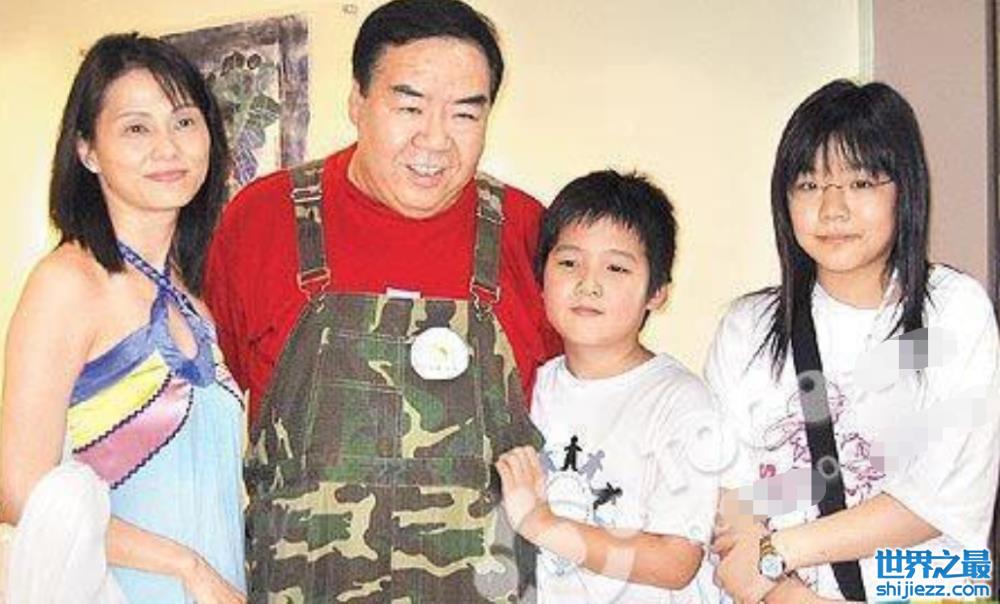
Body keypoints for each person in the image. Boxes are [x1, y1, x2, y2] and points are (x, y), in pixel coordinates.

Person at [203, 0, 559, 600]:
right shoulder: (260, 221)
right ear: (357, 102)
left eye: (465, 113)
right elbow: (215, 402)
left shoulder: (531, 235)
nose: (435, 140)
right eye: (409, 106)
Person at [706, 80, 1000, 603]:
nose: (832, 209)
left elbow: (943, 502)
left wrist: (780, 550)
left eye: (860, 183)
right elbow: (729, 501)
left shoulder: (952, 310)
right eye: (809, 184)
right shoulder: (747, 327)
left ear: (905, 190)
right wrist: (788, 594)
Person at [0, 33, 246, 603]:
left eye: (184, 122)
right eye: (137, 128)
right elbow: (18, 492)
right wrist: (185, 565)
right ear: (87, 150)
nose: (168, 147)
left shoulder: (195, 297)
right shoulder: (68, 282)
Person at [496, 170, 721, 603]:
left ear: (657, 292)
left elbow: (675, 562)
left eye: (616, 268)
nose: (588, 284)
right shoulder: (530, 385)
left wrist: (542, 524)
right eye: (569, 262)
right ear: (541, 277)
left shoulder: (679, 400)